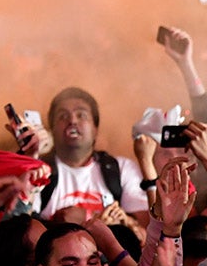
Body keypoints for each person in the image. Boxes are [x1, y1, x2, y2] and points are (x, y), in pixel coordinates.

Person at [36, 87, 149, 227]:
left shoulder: (122, 169)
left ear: (95, 129)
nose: (72, 121)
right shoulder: (37, 171)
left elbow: (145, 231)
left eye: (81, 115)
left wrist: (125, 222)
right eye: (63, 116)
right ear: (52, 129)